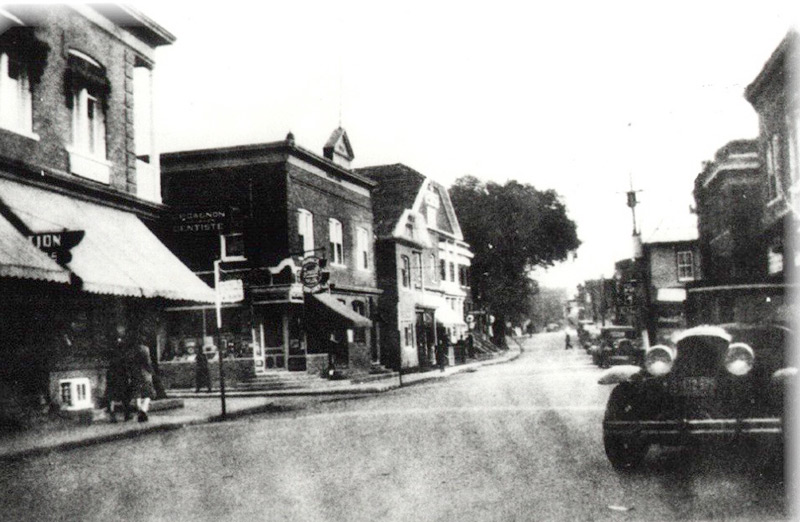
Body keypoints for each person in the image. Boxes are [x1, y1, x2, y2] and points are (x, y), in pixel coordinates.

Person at [106, 325, 132, 422]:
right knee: (124, 394)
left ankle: (112, 414)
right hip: (121, 372)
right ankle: (126, 414)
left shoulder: (111, 344)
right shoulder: (124, 345)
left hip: (112, 372)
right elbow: (126, 360)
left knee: (111, 394)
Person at [129, 332, 156, 422]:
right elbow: (148, 362)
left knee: (137, 393)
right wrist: (151, 372)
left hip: (135, 373)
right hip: (145, 373)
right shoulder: (145, 349)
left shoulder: (132, 350)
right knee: (148, 393)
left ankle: (139, 409)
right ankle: (143, 410)